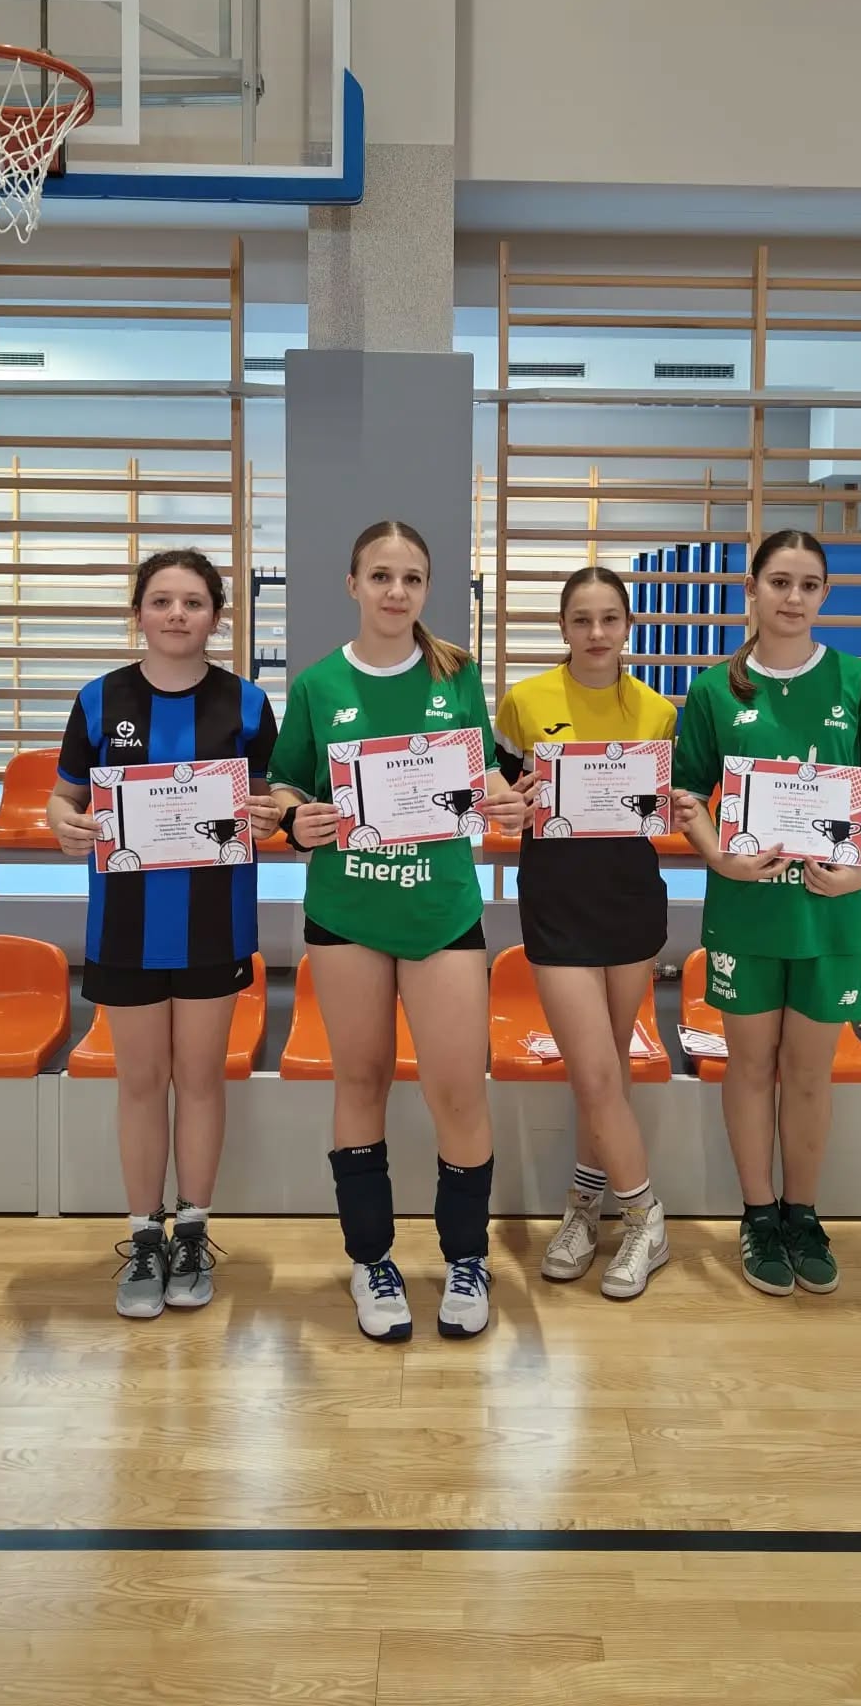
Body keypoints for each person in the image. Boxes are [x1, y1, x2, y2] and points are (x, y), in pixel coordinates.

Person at [267, 520, 527, 1343]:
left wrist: (505, 801)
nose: (396, 591)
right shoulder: (318, 685)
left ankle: (466, 1257)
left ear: (427, 589)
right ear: (353, 584)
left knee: (458, 1089)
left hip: (440, 909)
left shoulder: (457, 674)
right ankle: (370, 1259)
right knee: (361, 1082)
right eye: (381, 576)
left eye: (412, 578)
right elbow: (283, 784)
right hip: (347, 911)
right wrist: (294, 819)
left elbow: (484, 771)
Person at [672, 529, 861, 1298]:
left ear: (825, 595)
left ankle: (802, 1215)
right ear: (752, 590)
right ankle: (757, 1213)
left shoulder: (858, 682)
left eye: (809, 585)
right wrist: (718, 855)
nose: (793, 597)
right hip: (746, 913)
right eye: (779, 582)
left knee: (809, 1072)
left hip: (830, 915)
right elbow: (685, 794)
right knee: (749, 1067)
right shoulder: (715, 690)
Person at [48, 548, 281, 1320]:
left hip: (216, 924)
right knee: (142, 1083)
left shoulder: (248, 703)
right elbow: (63, 799)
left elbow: (269, 800)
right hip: (125, 926)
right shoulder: (98, 699)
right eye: (161, 601)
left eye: (193, 602)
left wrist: (268, 815)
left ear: (216, 617)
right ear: (139, 613)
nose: (177, 614)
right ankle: (145, 1237)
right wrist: (65, 826)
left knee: (202, 1079)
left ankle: (193, 1232)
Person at [494, 566, 676, 1300]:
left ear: (628, 626)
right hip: (557, 901)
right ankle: (647, 1220)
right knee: (595, 1071)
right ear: (563, 627)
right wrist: (513, 799)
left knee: (608, 1069)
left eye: (610, 619)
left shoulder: (659, 711)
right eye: (582, 620)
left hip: (629, 899)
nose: (596, 633)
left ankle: (583, 1206)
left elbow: (669, 803)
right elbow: (499, 796)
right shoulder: (524, 702)